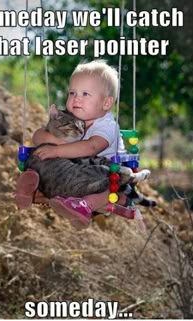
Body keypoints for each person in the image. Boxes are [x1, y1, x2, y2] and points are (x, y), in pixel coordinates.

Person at [15, 60, 152, 228]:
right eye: (72, 93)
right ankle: (32, 186)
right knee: (42, 154)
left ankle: (84, 206)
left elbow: (91, 147)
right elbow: (38, 135)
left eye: (85, 94)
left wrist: (58, 151)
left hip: (109, 173)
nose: (76, 99)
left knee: (108, 185)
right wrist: (54, 141)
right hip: (77, 173)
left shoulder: (107, 125)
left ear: (106, 103)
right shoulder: (74, 120)